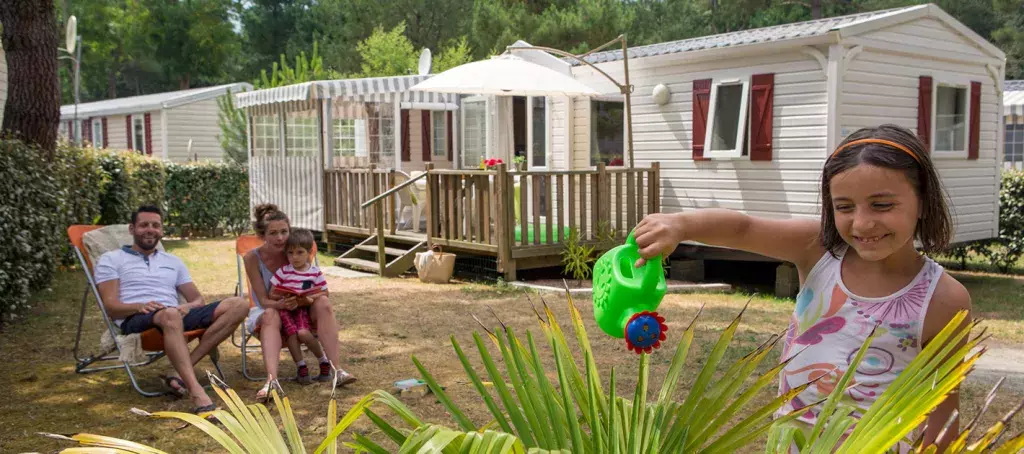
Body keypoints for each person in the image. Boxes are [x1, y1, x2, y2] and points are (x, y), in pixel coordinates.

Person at [633, 124, 971, 451]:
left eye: (882, 205)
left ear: (924, 201)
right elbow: (742, 229)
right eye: (844, 207)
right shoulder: (818, 251)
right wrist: (680, 224)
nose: (862, 222)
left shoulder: (943, 299)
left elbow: (942, 407)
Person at [95, 205, 249, 414]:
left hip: (173, 314)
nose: (150, 229)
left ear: (161, 230)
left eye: (155, 225)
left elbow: (197, 299)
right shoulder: (111, 259)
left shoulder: (173, 261)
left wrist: (185, 307)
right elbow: (111, 307)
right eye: (144, 225)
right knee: (169, 315)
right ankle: (197, 392)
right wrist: (139, 306)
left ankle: (177, 370)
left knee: (240, 304)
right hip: (136, 318)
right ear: (131, 229)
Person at [243, 204, 356, 402]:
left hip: (302, 308)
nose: (280, 238)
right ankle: (272, 381)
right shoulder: (252, 258)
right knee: (270, 314)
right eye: (273, 233)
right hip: (270, 309)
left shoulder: (299, 249)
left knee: (323, 303)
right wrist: (284, 305)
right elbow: (262, 300)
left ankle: (337, 370)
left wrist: (306, 300)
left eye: (284, 232)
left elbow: (317, 287)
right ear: (262, 235)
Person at [267, 228, 331, 385]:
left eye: (299, 252)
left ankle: (323, 361)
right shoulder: (283, 272)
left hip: (302, 308)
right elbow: (272, 293)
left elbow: (324, 292)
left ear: (309, 252)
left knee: (303, 333)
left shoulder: (314, 272)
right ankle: (301, 367)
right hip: (285, 309)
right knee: (292, 335)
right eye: (290, 253)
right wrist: (283, 297)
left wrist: (307, 298)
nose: (294, 257)